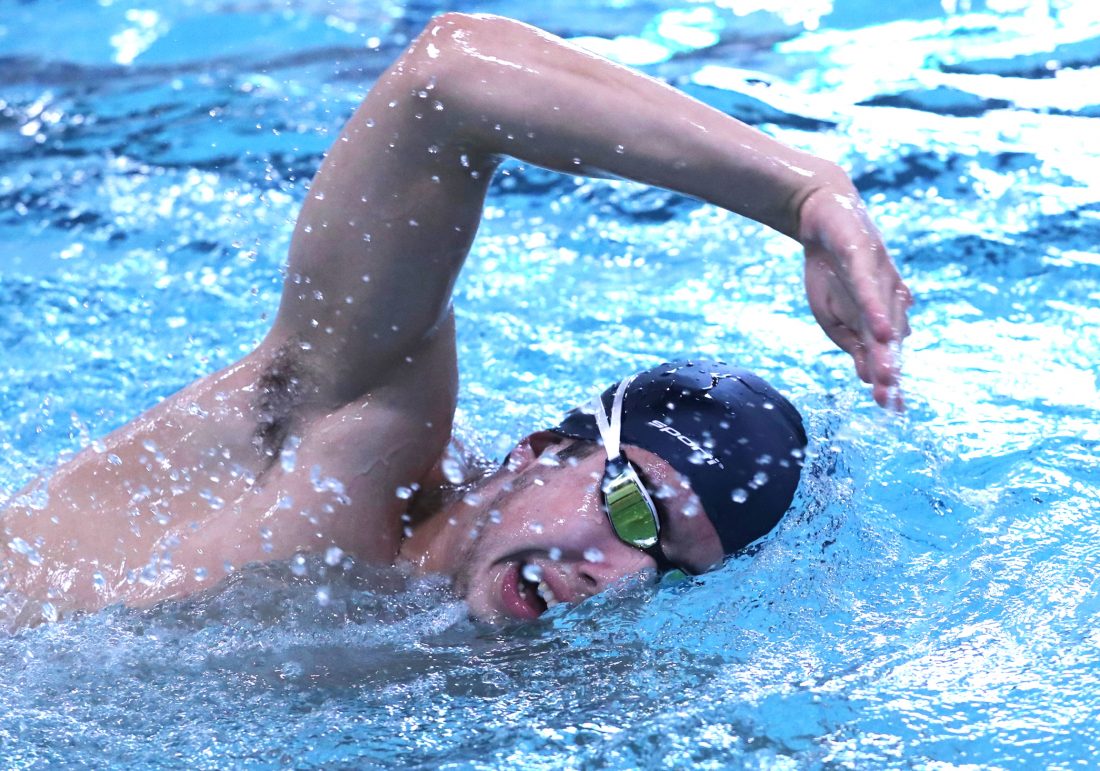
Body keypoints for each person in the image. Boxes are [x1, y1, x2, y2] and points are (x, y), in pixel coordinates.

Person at [0, 13, 911, 628]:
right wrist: (801, 192)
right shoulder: (346, 446)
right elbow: (449, 82)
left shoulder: (510, 666)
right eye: (634, 507)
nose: (621, 576)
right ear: (540, 450)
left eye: (673, 574)